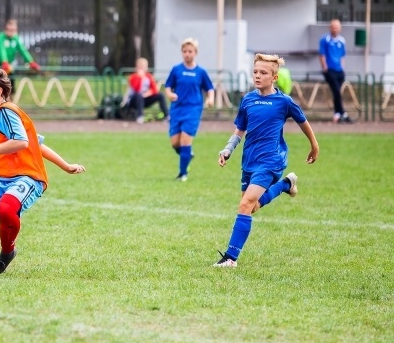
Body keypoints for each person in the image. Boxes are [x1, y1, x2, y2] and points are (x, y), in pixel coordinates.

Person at [0, 68, 85, 276]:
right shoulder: (1, 114)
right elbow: (36, 144)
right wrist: (66, 166)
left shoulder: (7, 112)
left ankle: (7, 253)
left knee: (6, 208)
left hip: (27, 177)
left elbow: (22, 142)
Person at [214, 54, 319, 267]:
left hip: (271, 160)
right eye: (255, 72)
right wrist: (228, 150)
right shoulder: (248, 100)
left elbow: (303, 121)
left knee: (244, 205)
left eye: (263, 73)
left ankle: (230, 258)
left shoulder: (284, 102)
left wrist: (314, 145)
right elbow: (239, 130)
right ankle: (285, 185)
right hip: (249, 159)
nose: (258, 76)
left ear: (274, 77)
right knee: (251, 207)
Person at [164, 38, 214, 181]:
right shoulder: (176, 70)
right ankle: (188, 155)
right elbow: (168, 86)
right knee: (175, 143)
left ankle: (183, 173)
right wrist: (169, 94)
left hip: (193, 109)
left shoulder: (201, 72)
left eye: (190, 51)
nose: (187, 54)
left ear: (195, 53)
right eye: (184, 51)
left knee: (186, 140)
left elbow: (209, 88)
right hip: (177, 109)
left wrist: (210, 99)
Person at [319, 19, 352, 123]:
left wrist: (342, 67)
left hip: (339, 70)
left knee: (337, 92)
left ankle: (337, 114)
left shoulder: (342, 40)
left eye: (337, 27)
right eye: (333, 27)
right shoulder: (325, 39)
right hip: (330, 69)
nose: (335, 29)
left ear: (340, 28)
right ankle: (342, 113)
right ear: (330, 28)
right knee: (336, 91)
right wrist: (324, 67)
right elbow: (322, 54)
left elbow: (342, 55)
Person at [120, 57, 168, 124]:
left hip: (145, 98)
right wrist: (140, 78)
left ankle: (167, 116)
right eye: (141, 67)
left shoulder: (149, 77)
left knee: (160, 95)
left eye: (144, 67)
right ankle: (140, 117)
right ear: (137, 68)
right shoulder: (133, 77)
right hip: (134, 100)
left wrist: (147, 93)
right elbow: (137, 89)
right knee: (139, 95)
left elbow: (155, 90)